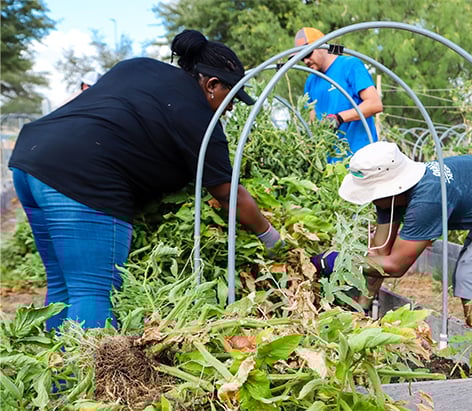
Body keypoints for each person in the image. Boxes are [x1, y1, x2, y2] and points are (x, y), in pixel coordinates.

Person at [9, 29, 283, 330]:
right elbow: (229, 193)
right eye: (230, 97)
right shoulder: (201, 119)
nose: (230, 107)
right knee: (95, 291)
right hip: (83, 178)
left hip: (32, 161)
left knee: (64, 286)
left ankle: (57, 373)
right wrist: (269, 237)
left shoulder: (138, 66)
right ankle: (82, 376)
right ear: (212, 85)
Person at [311, 141, 472, 343]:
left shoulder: (428, 198)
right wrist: (361, 306)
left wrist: (335, 260)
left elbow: (395, 266)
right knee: (471, 275)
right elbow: (379, 253)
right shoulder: (391, 198)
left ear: (390, 186)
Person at [293, 27, 383, 162]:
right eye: (301, 58)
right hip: (330, 165)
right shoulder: (311, 81)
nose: (306, 61)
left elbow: (374, 104)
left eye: (308, 54)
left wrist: (339, 118)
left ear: (323, 46)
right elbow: (312, 122)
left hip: (362, 158)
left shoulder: (350, 65)